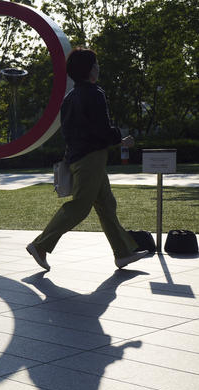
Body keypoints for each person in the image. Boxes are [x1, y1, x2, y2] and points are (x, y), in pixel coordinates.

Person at [26, 47, 148, 271]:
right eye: (96, 64)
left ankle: (122, 253)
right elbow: (100, 130)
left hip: (78, 158)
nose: (98, 68)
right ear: (89, 70)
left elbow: (71, 132)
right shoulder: (95, 93)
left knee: (106, 204)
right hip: (91, 159)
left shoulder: (69, 98)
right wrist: (121, 138)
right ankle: (40, 245)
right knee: (80, 206)